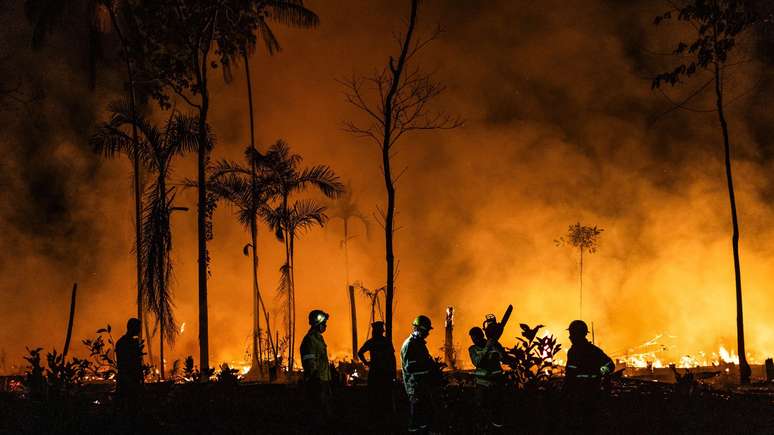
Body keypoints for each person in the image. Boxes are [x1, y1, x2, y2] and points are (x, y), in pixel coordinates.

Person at [563, 320, 614, 433]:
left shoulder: (577, 352)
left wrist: (599, 372)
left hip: (584, 395)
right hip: (588, 394)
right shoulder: (592, 351)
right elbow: (610, 365)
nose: (570, 337)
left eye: (572, 333)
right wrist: (600, 372)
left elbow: (570, 377)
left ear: (578, 334)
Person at [401, 315, 442, 434]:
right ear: (418, 329)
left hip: (422, 386)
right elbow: (410, 367)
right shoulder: (410, 345)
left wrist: (434, 365)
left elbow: (423, 361)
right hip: (414, 387)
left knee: (426, 415)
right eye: (426, 331)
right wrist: (430, 368)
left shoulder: (418, 343)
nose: (428, 334)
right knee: (416, 419)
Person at [468, 322, 509, 429]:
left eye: (476, 337)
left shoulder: (494, 344)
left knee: (497, 408)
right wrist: (487, 347)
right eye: (473, 338)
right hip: (482, 384)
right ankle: (482, 428)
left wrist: (495, 345)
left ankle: (497, 429)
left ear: (482, 335)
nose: (474, 340)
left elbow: (504, 358)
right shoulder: (472, 349)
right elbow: (477, 362)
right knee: (481, 408)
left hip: (496, 383)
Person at [358, 321, 397, 426]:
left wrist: (366, 363)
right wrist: (393, 373)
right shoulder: (387, 341)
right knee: (386, 397)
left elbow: (359, 352)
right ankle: (386, 421)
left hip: (375, 373)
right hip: (385, 374)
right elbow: (392, 358)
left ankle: (375, 420)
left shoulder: (371, 342)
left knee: (374, 397)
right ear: (382, 331)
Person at [300, 309, 333, 430]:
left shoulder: (319, 338)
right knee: (318, 410)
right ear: (317, 324)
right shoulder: (310, 340)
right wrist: (314, 377)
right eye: (324, 323)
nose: (325, 326)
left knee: (325, 409)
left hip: (324, 379)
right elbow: (309, 362)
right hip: (317, 380)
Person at [115, 318, 144, 427]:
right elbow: (130, 363)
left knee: (128, 410)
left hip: (128, 379)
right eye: (138, 328)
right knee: (129, 410)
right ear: (133, 328)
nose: (139, 330)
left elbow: (136, 363)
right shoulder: (127, 343)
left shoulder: (123, 342)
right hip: (128, 380)